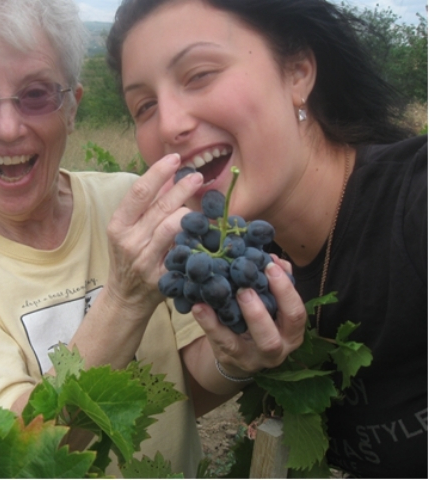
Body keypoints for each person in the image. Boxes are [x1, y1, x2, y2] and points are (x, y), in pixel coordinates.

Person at [0, 0, 308, 475]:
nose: (8, 128)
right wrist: (122, 300)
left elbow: (184, 388)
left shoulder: (125, 200)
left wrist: (238, 358)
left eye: (36, 94)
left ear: (71, 108)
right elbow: (20, 453)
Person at [105, 0, 427, 477]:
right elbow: (176, 400)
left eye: (199, 74)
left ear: (297, 72)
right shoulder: (247, 263)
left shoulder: (415, 205)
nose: (170, 124)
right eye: (144, 106)